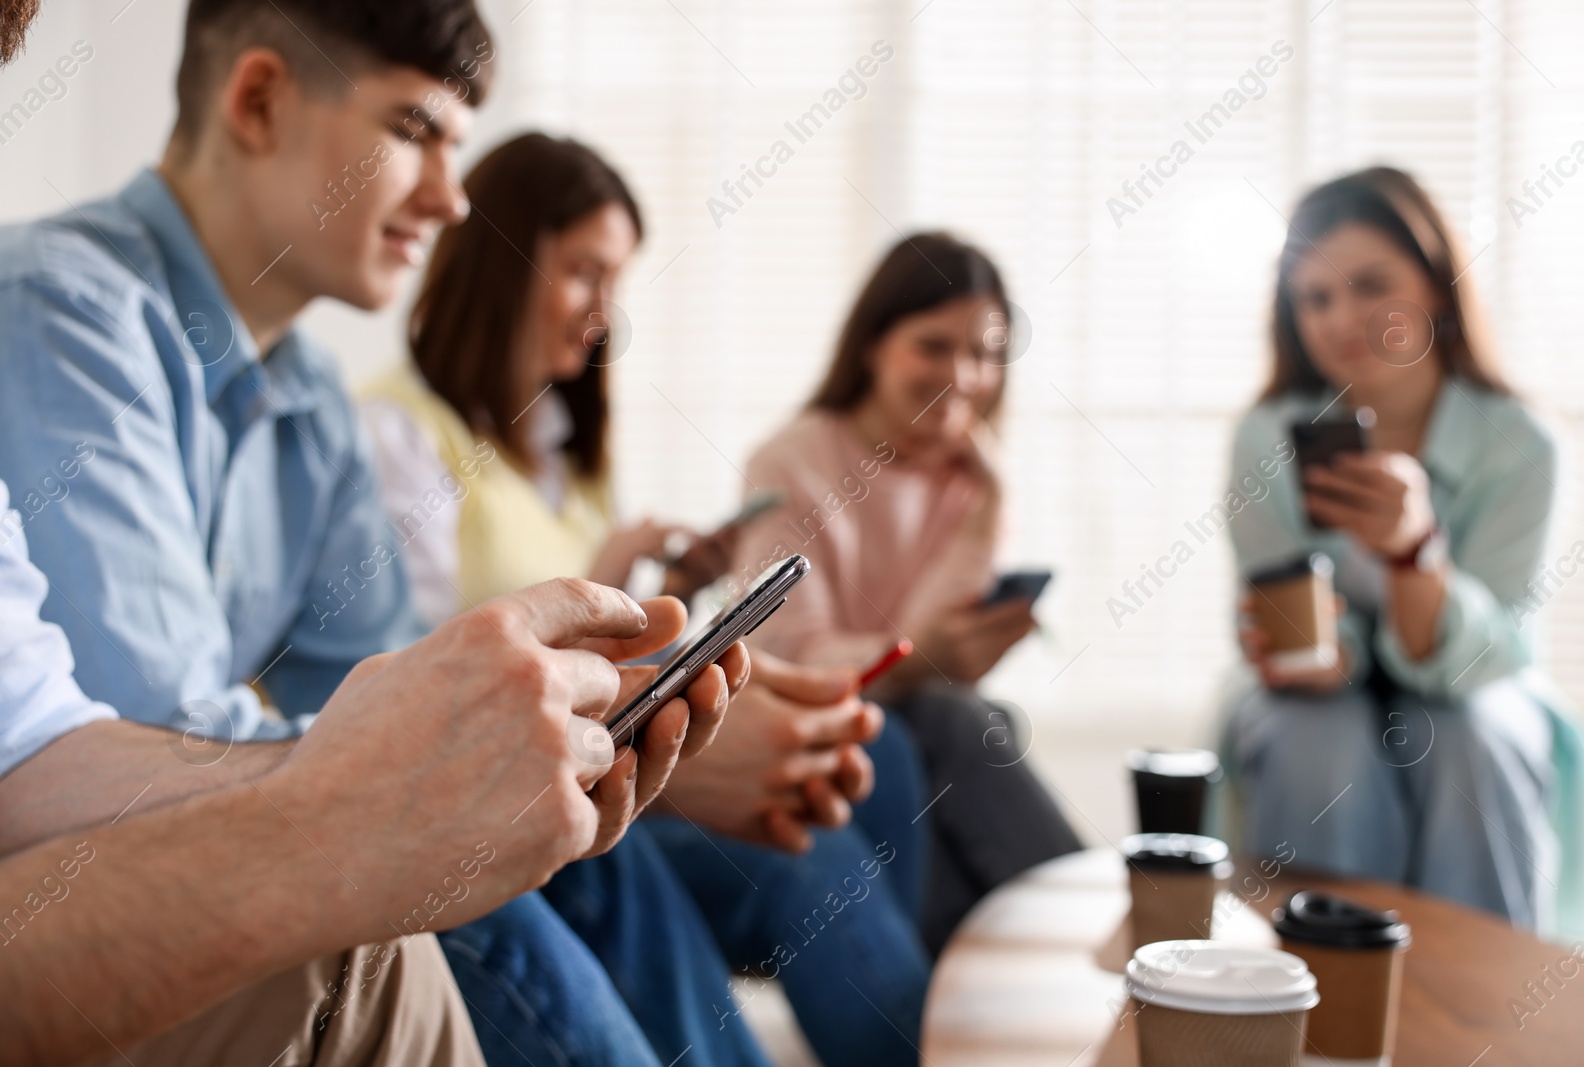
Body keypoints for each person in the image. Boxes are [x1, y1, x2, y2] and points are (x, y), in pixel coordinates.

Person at [0, 2, 744, 1064]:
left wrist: (512, 740)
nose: (451, 199)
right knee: (445, 889)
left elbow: (372, 688)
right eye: (413, 132)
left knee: (561, 849)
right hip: (100, 863)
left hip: (115, 813)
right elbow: (142, 743)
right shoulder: (58, 310)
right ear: (257, 99)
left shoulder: (312, 398)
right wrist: (417, 776)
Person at [362, 132, 930, 1067]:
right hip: (522, 793)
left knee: (887, 752)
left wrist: (658, 597)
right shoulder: (398, 437)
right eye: (585, 272)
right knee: (804, 852)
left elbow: (598, 653)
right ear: (499, 262)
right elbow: (421, 677)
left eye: (616, 281)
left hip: (602, 756)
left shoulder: (562, 451)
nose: (604, 314)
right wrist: (601, 569)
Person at [1222, 166, 1584, 936]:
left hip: (1475, 688)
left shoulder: (1521, 442)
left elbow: (1478, 659)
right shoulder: (1266, 437)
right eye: (1316, 298)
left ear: (1434, 285)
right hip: (1320, 699)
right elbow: (1290, 616)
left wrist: (1413, 551)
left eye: (1370, 285)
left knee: (1474, 737)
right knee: (1313, 733)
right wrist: (1310, 652)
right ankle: (1314, 1009)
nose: (1341, 318)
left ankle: (1478, 1018)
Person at [728, 232, 1082, 953]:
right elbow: (787, 657)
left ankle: (997, 988)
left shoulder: (970, 480)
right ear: (872, 345)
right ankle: (1088, 928)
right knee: (953, 718)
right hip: (819, 730)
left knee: (960, 718)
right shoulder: (791, 461)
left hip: (919, 726)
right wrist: (918, 659)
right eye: (934, 345)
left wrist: (992, 501)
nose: (965, 374)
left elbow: (943, 636)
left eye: (985, 352)